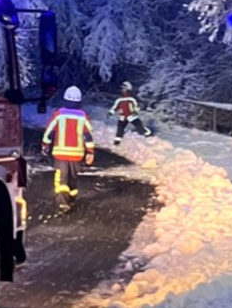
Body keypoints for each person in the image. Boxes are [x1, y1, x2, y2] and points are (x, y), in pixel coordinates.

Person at [41, 85, 96, 213]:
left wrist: (45, 146)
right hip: (76, 154)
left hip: (60, 153)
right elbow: (88, 136)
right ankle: (71, 199)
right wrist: (90, 152)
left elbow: (49, 132)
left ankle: (63, 203)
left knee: (61, 177)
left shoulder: (59, 114)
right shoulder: (83, 116)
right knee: (73, 178)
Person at [109, 81, 151, 145]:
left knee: (139, 127)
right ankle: (117, 143)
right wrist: (111, 112)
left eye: (124, 88)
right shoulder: (119, 99)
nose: (122, 89)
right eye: (122, 88)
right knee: (120, 129)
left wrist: (135, 111)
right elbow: (115, 107)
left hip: (131, 116)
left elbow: (137, 106)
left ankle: (149, 134)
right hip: (122, 117)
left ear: (128, 88)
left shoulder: (132, 98)